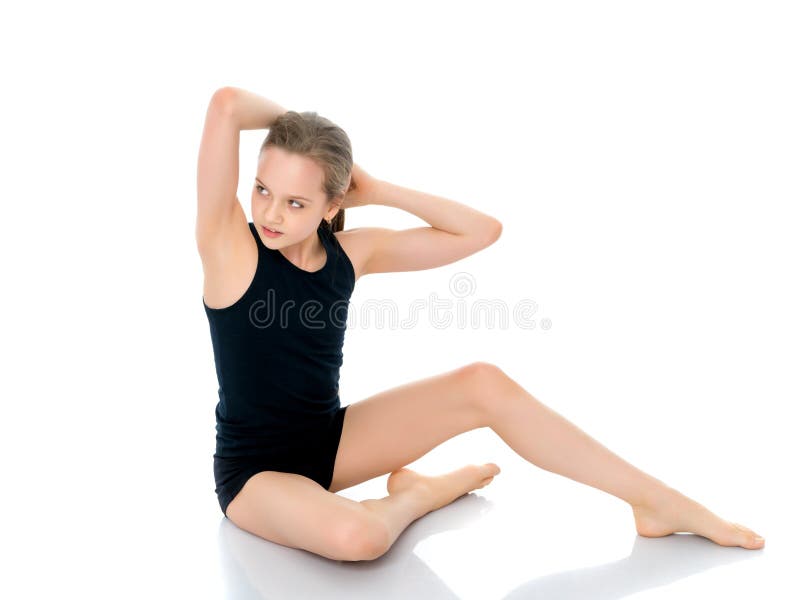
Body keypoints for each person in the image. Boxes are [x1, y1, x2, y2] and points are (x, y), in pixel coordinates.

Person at [196, 86, 765, 562]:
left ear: (331, 205)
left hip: (334, 442)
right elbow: (225, 104)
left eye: (297, 202)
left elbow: (481, 231)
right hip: (255, 475)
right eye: (264, 189)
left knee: (484, 383)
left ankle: (656, 500)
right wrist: (297, 126)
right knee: (360, 537)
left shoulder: (353, 251)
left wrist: (381, 191)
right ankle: (415, 497)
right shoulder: (230, 250)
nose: (270, 213)